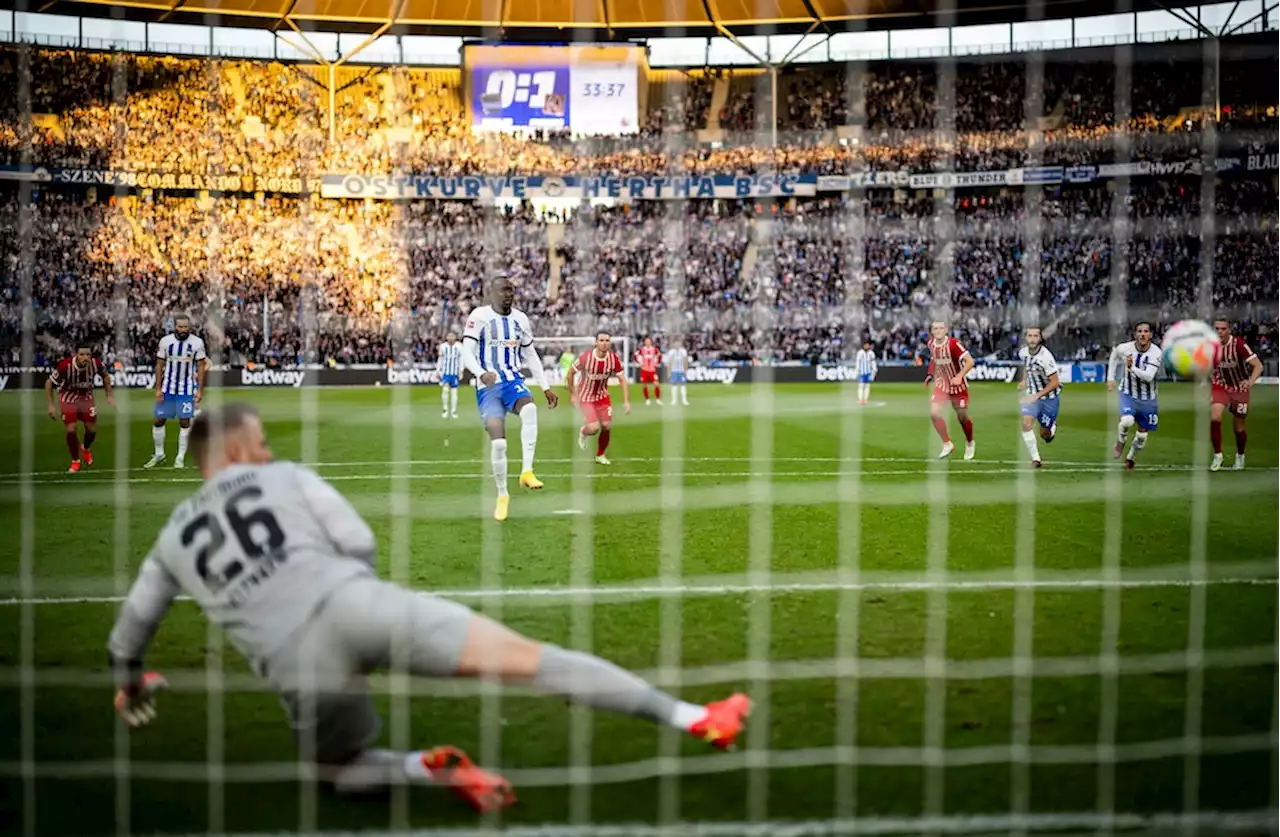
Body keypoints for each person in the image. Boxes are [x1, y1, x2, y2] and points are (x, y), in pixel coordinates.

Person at [107, 403, 750, 813]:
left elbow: (130, 631)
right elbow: (358, 541)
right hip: (362, 605)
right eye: (263, 444)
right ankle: (696, 718)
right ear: (240, 451)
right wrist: (354, 606)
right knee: (537, 663)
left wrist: (132, 681)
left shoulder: (170, 540)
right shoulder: (287, 476)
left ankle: (427, 770)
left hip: (293, 662)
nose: (269, 452)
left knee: (336, 772)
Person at [459, 279, 558, 521]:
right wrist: (481, 373)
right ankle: (502, 495)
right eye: (503, 290)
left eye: (511, 290)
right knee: (499, 444)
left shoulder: (521, 319)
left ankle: (527, 471)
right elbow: (466, 352)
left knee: (531, 409)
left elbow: (531, 354)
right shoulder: (479, 316)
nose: (508, 295)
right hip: (488, 387)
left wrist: (545, 387)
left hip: (513, 381)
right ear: (491, 293)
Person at [144, 314, 209, 470]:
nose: (183, 330)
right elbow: (159, 365)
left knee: (184, 422)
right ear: (174, 326)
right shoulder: (166, 342)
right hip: (167, 388)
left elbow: (201, 367)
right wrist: (158, 388)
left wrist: (199, 390)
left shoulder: (197, 343)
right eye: (180, 327)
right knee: (159, 420)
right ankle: (159, 454)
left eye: (186, 327)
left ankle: (179, 458)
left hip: (186, 389)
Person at [45, 345, 114, 473]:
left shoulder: (95, 364)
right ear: (76, 355)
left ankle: (85, 448)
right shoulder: (66, 366)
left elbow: (105, 376)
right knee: (71, 430)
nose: (85, 358)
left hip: (86, 399)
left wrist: (109, 396)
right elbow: (49, 383)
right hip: (68, 399)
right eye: (82, 355)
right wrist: (50, 405)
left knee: (92, 430)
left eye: (88, 354)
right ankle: (75, 461)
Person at [566, 331, 631, 465]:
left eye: (607, 340)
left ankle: (600, 455)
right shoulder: (586, 357)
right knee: (594, 428)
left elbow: (622, 379)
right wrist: (572, 394)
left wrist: (626, 401)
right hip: (585, 397)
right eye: (601, 340)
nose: (604, 343)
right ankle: (583, 432)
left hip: (602, 396)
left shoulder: (613, 359)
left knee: (606, 426)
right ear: (596, 342)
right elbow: (571, 373)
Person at [1208, 318, 1263, 471]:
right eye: (1217, 328)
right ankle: (1218, 456)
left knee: (1239, 427)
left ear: (1229, 330)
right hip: (1220, 385)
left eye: (1223, 329)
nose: (1219, 332)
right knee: (1215, 417)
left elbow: (1258, 366)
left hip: (1239, 387)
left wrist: (1250, 382)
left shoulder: (1238, 344)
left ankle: (1240, 456)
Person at [1107, 322, 1163, 469]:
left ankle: (1131, 456)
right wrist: (1110, 378)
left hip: (1148, 399)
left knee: (1142, 436)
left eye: (1146, 332)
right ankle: (1120, 443)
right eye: (1139, 331)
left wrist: (1132, 368)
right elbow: (1114, 354)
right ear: (1135, 334)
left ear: (1150, 335)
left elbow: (1148, 377)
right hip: (1128, 393)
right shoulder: (1125, 348)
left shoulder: (1156, 353)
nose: (1142, 334)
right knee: (1126, 421)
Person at [924, 321, 976, 460]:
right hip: (942, 385)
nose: (938, 330)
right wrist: (930, 374)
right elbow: (934, 359)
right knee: (934, 413)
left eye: (941, 328)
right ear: (932, 331)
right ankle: (947, 443)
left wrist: (959, 376)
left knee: (962, 418)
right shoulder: (931, 344)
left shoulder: (953, 344)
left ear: (946, 330)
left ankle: (970, 442)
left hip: (958, 387)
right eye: (935, 328)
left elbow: (970, 361)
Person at [1016, 327, 1060, 468]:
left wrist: (1037, 395)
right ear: (1026, 338)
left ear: (1040, 339)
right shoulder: (1023, 353)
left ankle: (1051, 428)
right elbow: (1027, 367)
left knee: (1045, 434)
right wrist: (1024, 381)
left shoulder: (1046, 357)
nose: (1032, 339)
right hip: (1031, 395)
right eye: (1030, 336)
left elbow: (1055, 382)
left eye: (1036, 336)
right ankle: (1036, 459)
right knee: (1026, 424)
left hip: (1049, 398)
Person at [437, 333, 462, 419]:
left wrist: (461, 371)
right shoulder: (443, 347)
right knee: (445, 391)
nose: (451, 338)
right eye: (449, 336)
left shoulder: (459, 346)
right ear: (446, 337)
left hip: (454, 373)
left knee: (454, 393)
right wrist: (438, 370)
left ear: (455, 338)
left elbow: (461, 359)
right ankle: (445, 410)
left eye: (452, 336)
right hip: (446, 373)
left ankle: (454, 411)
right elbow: (440, 359)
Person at [634, 337, 662, 406]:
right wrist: (639, 363)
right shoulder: (642, 350)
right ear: (644, 342)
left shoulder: (654, 349)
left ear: (651, 342)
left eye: (649, 341)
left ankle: (658, 399)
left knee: (656, 384)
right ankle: (647, 399)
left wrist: (657, 362)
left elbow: (660, 355)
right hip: (644, 370)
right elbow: (635, 356)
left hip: (652, 370)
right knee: (644, 385)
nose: (648, 343)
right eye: (646, 341)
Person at [665, 339, 690, 406]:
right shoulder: (671, 352)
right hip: (674, 371)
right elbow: (669, 363)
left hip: (681, 371)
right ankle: (673, 400)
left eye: (678, 343)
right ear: (673, 344)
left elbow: (685, 362)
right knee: (674, 385)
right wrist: (669, 373)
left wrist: (686, 371)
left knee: (683, 385)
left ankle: (684, 400)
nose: (677, 345)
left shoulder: (683, 351)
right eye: (676, 343)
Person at [854, 341, 877, 406]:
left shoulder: (871, 353)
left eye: (868, 345)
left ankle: (865, 399)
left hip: (869, 372)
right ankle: (860, 399)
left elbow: (873, 362)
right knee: (861, 386)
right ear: (863, 346)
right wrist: (857, 371)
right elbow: (857, 362)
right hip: (861, 372)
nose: (867, 346)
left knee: (867, 386)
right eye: (866, 345)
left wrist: (874, 370)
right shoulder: (860, 353)